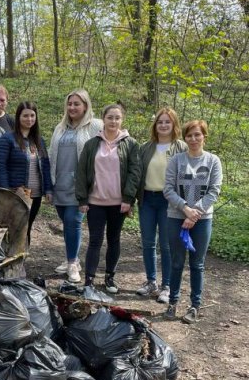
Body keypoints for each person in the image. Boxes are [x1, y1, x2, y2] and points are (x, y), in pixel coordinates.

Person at [76, 103, 141, 293]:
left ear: (122, 120)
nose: (113, 121)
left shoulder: (130, 144)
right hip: (95, 202)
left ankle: (110, 277)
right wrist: (82, 199)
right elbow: (81, 173)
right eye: (110, 117)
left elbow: (134, 172)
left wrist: (128, 199)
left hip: (119, 204)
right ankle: (88, 280)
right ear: (103, 119)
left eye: (117, 118)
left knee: (114, 239)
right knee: (95, 240)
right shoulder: (92, 144)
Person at [163, 119, 222, 324]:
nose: (194, 139)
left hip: (202, 220)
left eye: (198, 134)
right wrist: (185, 209)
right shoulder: (176, 160)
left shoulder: (213, 160)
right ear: (184, 138)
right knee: (177, 262)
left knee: (197, 264)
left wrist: (195, 213)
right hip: (175, 217)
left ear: (204, 136)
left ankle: (195, 306)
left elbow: (214, 190)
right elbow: (168, 189)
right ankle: (172, 302)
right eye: (189, 135)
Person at [49, 89, 102, 283]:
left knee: (73, 221)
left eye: (76, 104)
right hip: (60, 183)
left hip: (80, 185)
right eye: (70, 104)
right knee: (67, 223)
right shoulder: (60, 127)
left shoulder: (95, 126)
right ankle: (73, 258)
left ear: (85, 106)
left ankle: (72, 263)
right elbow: (52, 155)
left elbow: (113, 140)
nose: (72, 107)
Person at [135, 107, 187, 303]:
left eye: (167, 122)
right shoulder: (146, 147)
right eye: (160, 122)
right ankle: (151, 282)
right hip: (148, 199)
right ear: (155, 125)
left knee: (166, 245)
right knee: (148, 243)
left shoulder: (181, 147)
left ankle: (166, 286)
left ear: (174, 125)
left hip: (170, 202)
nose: (163, 125)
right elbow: (137, 175)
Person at [0, 100, 53, 246]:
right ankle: (8, 262)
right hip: (17, 193)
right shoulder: (8, 139)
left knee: (27, 227)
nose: (29, 119)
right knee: (14, 228)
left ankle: (21, 261)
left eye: (32, 116)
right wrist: (6, 191)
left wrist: (48, 189)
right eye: (25, 116)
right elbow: (0, 166)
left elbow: (45, 166)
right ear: (18, 117)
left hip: (35, 194)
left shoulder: (39, 140)